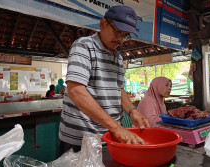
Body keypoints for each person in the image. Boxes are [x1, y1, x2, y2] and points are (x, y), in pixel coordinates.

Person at [58, 5, 150, 156]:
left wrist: (133, 111)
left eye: (125, 35)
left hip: (109, 138)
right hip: (80, 140)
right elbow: (76, 91)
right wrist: (116, 127)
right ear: (103, 24)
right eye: (118, 32)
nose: (120, 39)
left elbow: (119, 89)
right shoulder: (84, 46)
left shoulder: (118, 57)